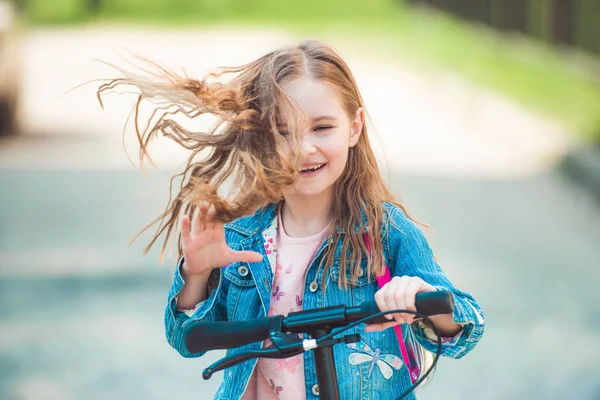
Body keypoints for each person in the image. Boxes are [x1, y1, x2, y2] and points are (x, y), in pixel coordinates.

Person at [98, 40, 485, 399]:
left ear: (354, 126)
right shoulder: (241, 238)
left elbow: (465, 329)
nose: (303, 148)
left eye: (322, 127)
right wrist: (196, 275)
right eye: (283, 132)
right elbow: (186, 339)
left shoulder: (387, 233)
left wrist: (419, 298)